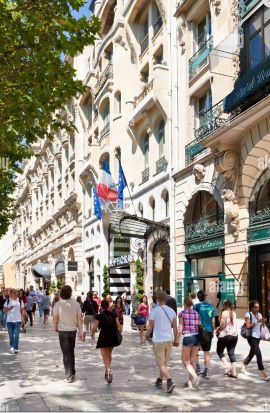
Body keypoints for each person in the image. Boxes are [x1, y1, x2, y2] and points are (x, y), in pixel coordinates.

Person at [145, 291, 179, 393]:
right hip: (169, 339)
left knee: (161, 363)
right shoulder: (172, 311)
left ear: (157, 299)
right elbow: (175, 328)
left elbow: (150, 326)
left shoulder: (154, 311)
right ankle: (159, 380)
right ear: (166, 299)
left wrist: (146, 335)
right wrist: (176, 339)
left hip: (158, 340)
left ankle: (169, 381)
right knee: (163, 363)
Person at [53, 285, 83, 383]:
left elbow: (55, 318)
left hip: (62, 331)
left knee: (65, 354)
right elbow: (79, 320)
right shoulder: (76, 304)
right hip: (72, 331)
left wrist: (55, 327)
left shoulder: (58, 304)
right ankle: (72, 372)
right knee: (71, 352)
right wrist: (81, 332)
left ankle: (69, 374)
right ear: (70, 293)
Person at [91, 299, 122, 384]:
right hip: (112, 336)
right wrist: (119, 332)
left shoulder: (99, 316)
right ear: (108, 305)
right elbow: (119, 327)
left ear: (101, 306)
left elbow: (94, 328)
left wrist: (93, 334)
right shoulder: (113, 314)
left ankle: (109, 371)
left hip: (104, 336)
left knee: (104, 356)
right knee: (109, 354)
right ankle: (107, 370)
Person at [241, 300, 270, 381]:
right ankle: (263, 373)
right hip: (251, 337)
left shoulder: (260, 314)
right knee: (258, 353)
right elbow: (248, 326)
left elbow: (261, 326)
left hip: (257, 337)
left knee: (252, 353)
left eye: (258, 307)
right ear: (252, 307)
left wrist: (263, 322)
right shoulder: (248, 314)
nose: (257, 309)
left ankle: (243, 366)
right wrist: (256, 322)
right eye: (256, 307)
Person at [178, 296, 201, 389]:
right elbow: (199, 326)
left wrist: (176, 339)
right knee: (193, 361)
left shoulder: (182, 313)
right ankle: (190, 383)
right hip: (196, 338)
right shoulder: (196, 313)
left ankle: (195, 377)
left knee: (185, 361)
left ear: (184, 303)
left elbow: (180, 328)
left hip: (188, 337)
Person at [193, 290, 215, 378]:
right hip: (208, 331)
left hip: (198, 331)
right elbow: (213, 321)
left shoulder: (196, 306)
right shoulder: (211, 307)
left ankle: (198, 368)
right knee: (206, 352)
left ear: (198, 297)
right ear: (205, 296)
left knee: (196, 351)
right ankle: (206, 371)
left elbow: (194, 319)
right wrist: (213, 332)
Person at [216, 299, 238, 378]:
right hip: (234, 335)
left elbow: (223, 325)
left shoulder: (224, 313)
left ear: (224, 305)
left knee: (219, 351)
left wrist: (218, 329)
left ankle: (227, 366)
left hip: (225, 335)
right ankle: (234, 372)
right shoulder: (234, 313)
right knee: (231, 353)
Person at [3, 288, 26, 353]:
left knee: (16, 335)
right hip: (9, 321)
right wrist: (9, 309)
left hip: (17, 320)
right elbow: (4, 310)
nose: (15, 293)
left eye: (16, 292)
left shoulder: (20, 301)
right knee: (11, 335)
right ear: (11, 293)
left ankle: (15, 348)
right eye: (13, 292)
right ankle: (12, 346)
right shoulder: (8, 301)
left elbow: (23, 310)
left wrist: (23, 318)